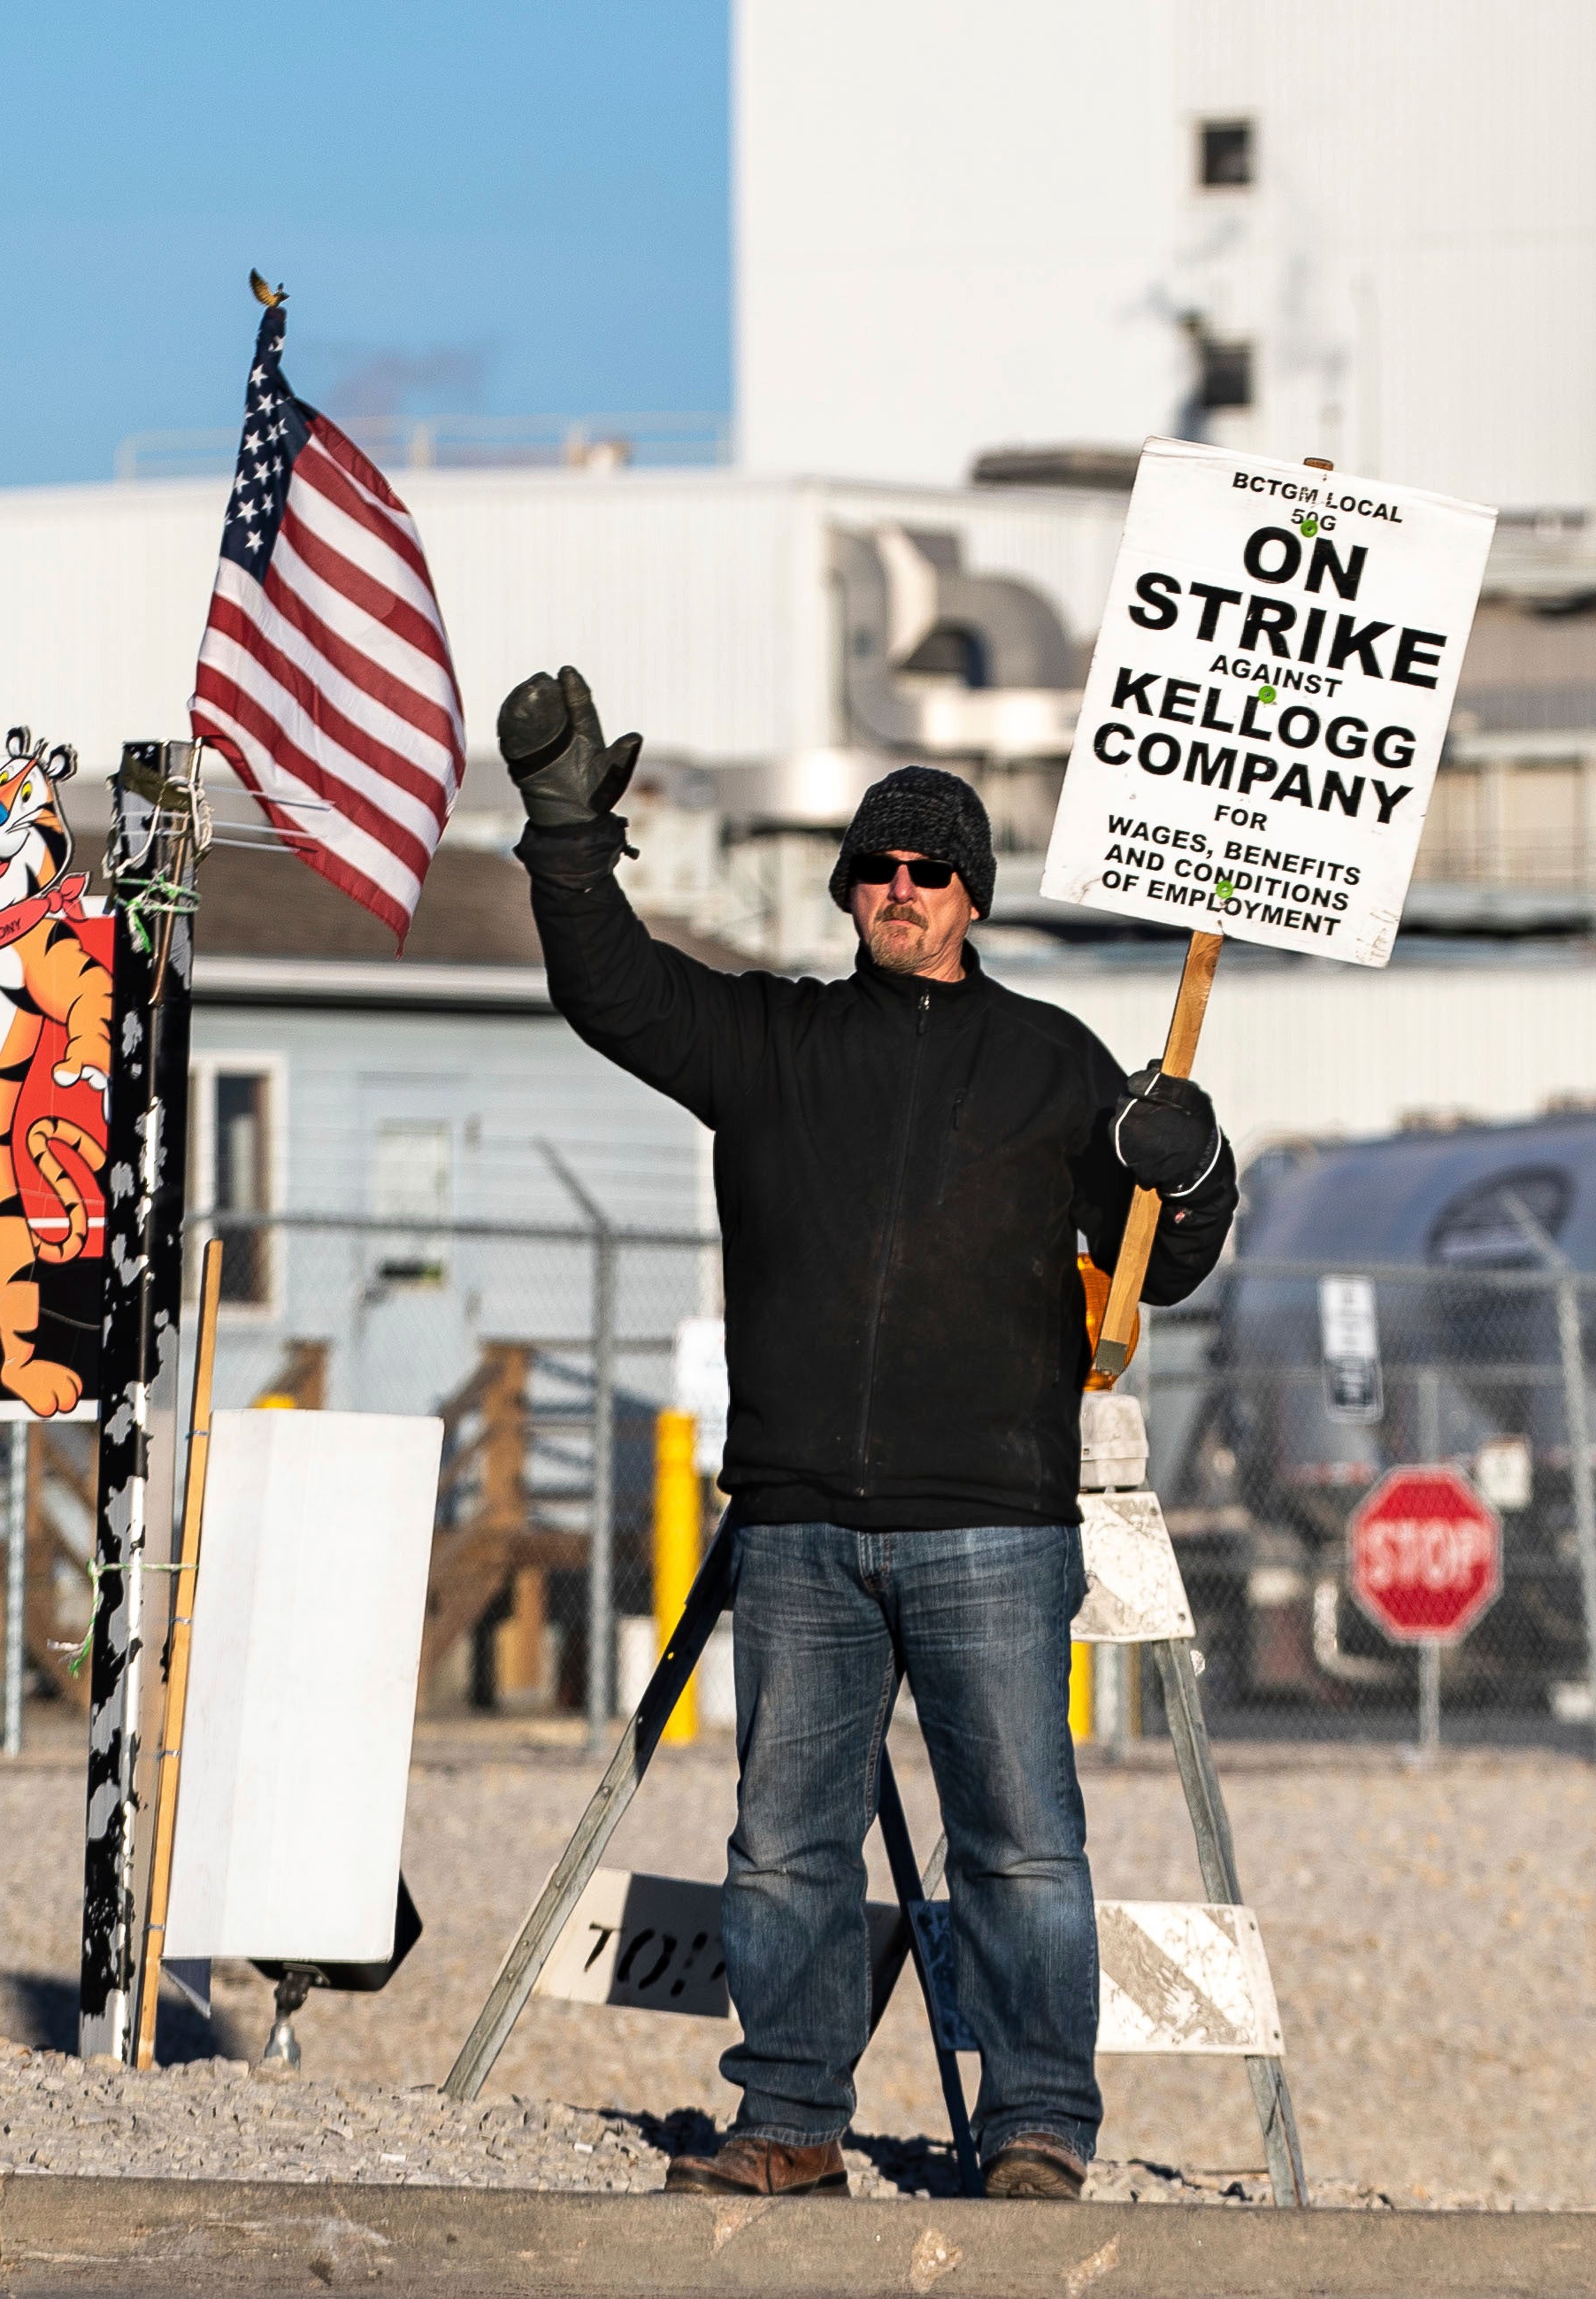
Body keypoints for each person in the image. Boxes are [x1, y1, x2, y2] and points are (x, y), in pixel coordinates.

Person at [503, 666, 1235, 2201]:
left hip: (993, 1519)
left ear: (972, 896)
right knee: (783, 1849)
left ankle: (1037, 2126)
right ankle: (786, 2122)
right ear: (848, 890)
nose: (899, 890)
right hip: (797, 1527)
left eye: (930, 870)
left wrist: (1199, 1159)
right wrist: (566, 836)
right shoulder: (769, 1042)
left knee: (1022, 1847)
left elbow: (1160, 1255)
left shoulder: (1055, 1066)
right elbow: (613, 991)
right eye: (876, 868)